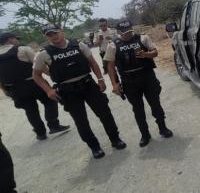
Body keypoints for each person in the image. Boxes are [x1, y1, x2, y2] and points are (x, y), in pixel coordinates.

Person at [33, 24, 126, 159]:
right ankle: (94, 147)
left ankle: (115, 139)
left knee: (105, 113)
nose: (53, 36)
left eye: (55, 33)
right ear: (45, 37)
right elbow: (36, 75)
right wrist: (48, 90)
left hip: (88, 84)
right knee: (81, 121)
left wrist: (100, 79)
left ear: (61, 32)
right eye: (49, 35)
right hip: (68, 91)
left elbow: (93, 62)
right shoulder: (43, 54)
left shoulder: (78, 45)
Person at [105, 21, 173, 147]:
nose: (128, 34)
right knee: (138, 109)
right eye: (125, 33)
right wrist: (114, 84)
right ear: (119, 32)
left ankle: (163, 128)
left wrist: (145, 54)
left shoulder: (143, 38)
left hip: (147, 76)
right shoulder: (113, 45)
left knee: (155, 104)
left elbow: (155, 52)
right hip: (129, 81)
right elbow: (110, 65)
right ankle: (145, 135)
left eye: (130, 31)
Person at [0, 32, 69, 140]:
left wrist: (6, 91)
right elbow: (39, 66)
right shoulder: (23, 49)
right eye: (16, 39)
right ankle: (53, 125)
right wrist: (53, 76)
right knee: (50, 100)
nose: (18, 41)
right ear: (10, 40)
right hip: (33, 83)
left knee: (30, 110)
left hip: (14, 88)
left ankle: (40, 133)